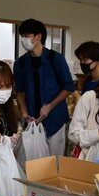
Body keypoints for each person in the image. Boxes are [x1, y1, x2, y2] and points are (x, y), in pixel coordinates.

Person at [14, 18, 74, 156]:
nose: (23, 39)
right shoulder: (20, 63)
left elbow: (68, 87)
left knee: (54, 162)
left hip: (55, 120)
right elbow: (20, 92)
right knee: (32, 162)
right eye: (22, 36)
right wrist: (24, 114)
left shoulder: (56, 59)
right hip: (31, 121)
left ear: (38, 36)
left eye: (26, 36)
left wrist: (49, 106)